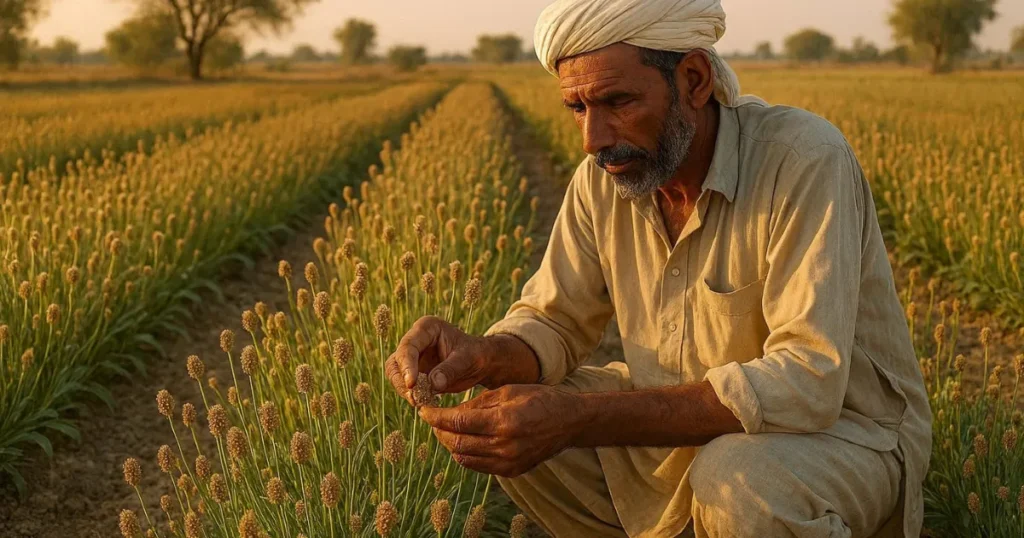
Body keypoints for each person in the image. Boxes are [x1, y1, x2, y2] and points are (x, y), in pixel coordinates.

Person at [385, 0, 931, 536]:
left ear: (693, 79)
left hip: (838, 438)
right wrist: (483, 355)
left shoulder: (802, 161)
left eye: (617, 101)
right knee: (507, 427)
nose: (592, 139)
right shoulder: (602, 181)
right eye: (577, 109)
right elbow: (555, 321)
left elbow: (808, 379)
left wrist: (578, 420)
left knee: (737, 481)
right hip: (678, 438)